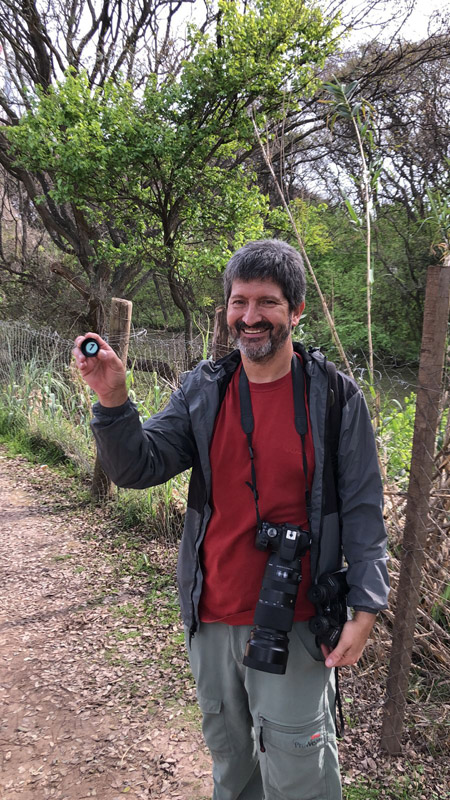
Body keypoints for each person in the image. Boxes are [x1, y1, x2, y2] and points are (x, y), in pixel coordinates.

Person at [73, 239, 389, 800]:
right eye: (239, 302)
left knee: (300, 777)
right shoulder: (205, 389)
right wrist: (113, 399)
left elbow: (364, 511)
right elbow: (140, 466)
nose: (250, 316)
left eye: (267, 302)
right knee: (233, 770)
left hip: (298, 621)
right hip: (212, 619)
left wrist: (366, 608)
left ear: (296, 311)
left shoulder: (335, 398)